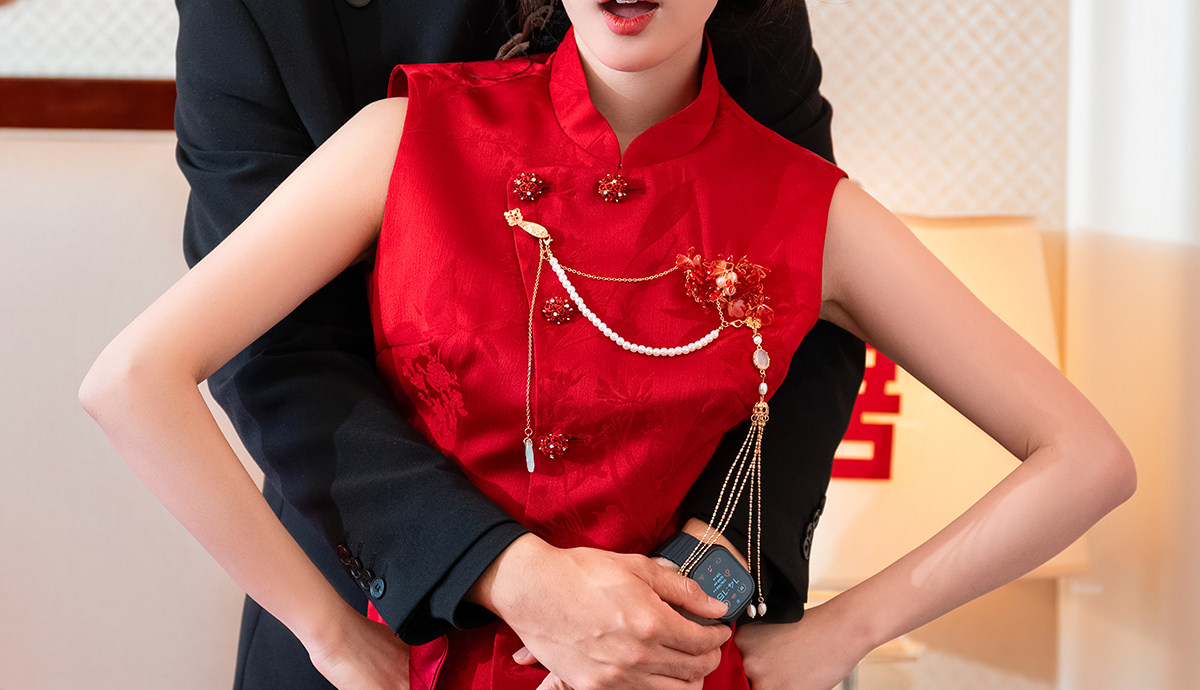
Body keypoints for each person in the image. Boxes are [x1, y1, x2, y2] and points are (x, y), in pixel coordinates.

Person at [84, 0, 1136, 688]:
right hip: (405, 627)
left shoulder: (811, 205)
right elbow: (177, 373)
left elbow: (1084, 456)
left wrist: (833, 628)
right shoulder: (404, 135)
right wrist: (334, 632)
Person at [172, 0, 861, 687]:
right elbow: (270, 348)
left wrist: (719, 566)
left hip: (665, 620)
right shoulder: (383, 122)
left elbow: (796, 286)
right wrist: (488, 577)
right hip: (379, 575)